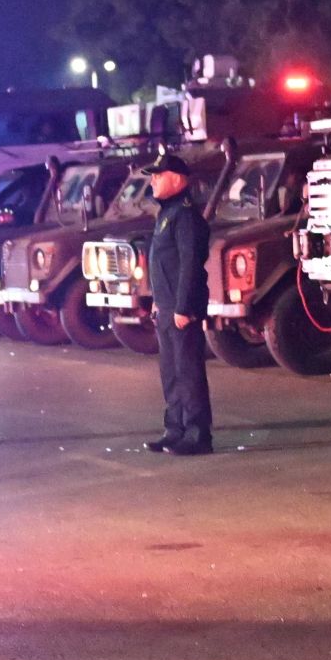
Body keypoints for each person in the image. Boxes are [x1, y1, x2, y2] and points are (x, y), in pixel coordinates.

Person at [142, 154, 213, 455]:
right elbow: (163, 264)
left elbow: (190, 264)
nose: (153, 181)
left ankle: (197, 435)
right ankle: (175, 430)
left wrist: (184, 307)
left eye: (158, 175)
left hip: (181, 309)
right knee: (171, 373)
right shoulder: (167, 214)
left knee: (188, 372)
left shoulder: (185, 216)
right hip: (166, 307)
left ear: (176, 179)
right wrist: (157, 302)